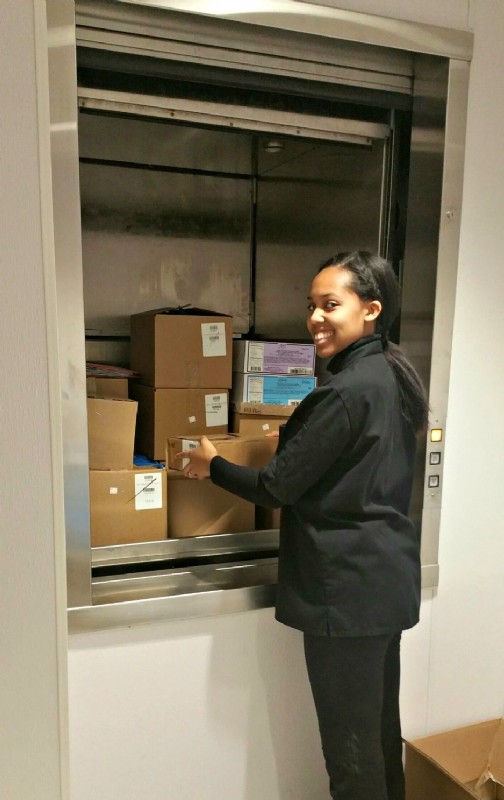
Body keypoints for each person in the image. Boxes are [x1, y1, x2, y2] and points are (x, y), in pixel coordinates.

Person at [181, 251, 428, 800]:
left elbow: (275, 488)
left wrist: (211, 464)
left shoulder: (344, 391)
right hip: (384, 586)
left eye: (331, 305)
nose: (315, 318)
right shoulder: (389, 375)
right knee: (381, 741)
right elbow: (347, 461)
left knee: (351, 757)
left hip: (345, 595)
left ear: (371, 310)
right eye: (312, 306)